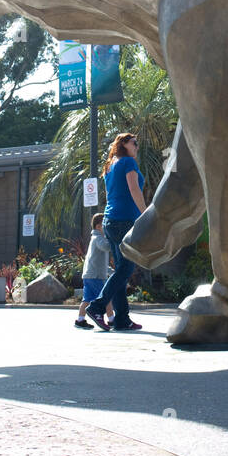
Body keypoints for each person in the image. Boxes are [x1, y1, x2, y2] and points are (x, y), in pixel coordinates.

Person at [85, 132, 145, 332]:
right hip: (124, 221)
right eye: (134, 143)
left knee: (121, 270)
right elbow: (134, 190)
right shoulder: (128, 162)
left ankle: (121, 319)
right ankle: (97, 306)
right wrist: (146, 214)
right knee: (125, 269)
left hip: (110, 222)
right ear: (124, 144)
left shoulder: (110, 165)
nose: (137, 146)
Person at [75, 213, 114, 329]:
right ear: (98, 227)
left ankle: (80, 320)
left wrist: (110, 271)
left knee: (87, 299)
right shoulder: (98, 238)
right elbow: (106, 247)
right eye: (105, 224)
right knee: (105, 298)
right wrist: (113, 240)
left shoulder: (95, 238)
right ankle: (111, 319)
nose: (107, 227)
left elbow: (100, 262)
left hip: (90, 275)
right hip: (95, 276)